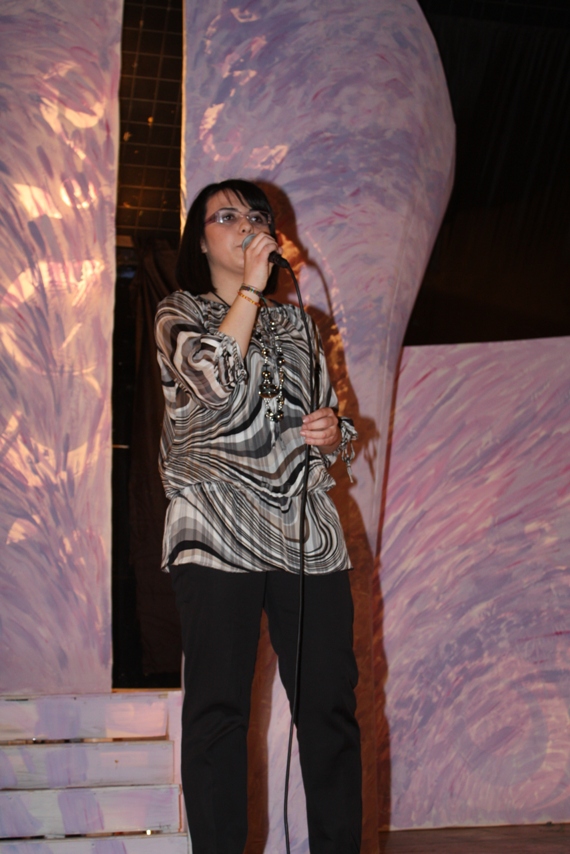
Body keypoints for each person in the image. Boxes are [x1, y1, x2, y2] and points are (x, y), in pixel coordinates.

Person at [154, 179, 361, 854]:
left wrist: (333, 432)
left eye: (255, 214)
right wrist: (249, 288)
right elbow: (211, 380)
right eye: (226, 215)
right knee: (219, 712)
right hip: (216, 529)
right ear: (200, 241)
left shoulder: (298, 325)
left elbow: (336, 425)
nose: (245, 223)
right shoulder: (178, 313)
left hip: (304, 534)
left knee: (330, 709)